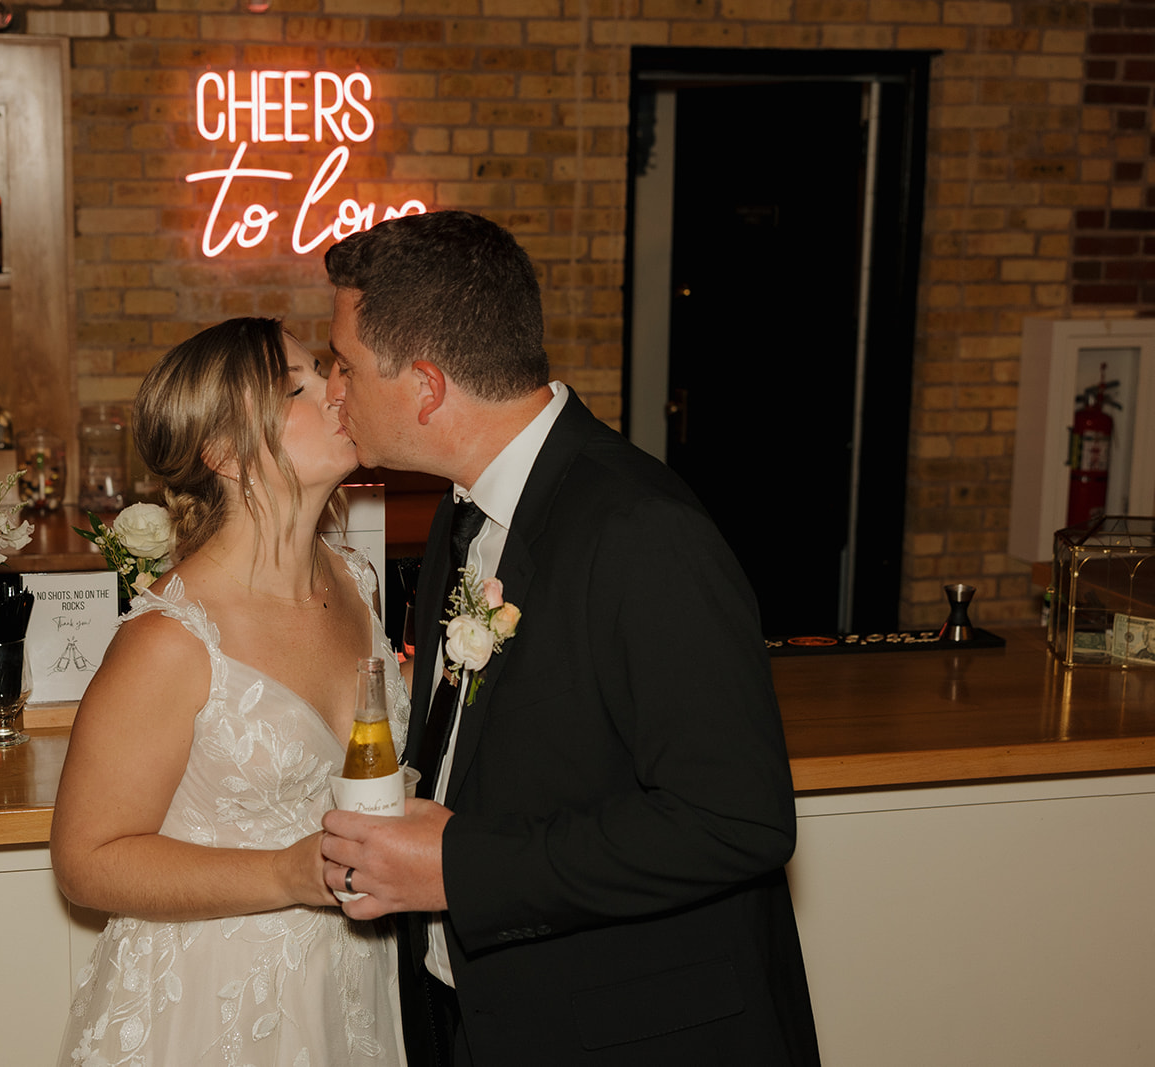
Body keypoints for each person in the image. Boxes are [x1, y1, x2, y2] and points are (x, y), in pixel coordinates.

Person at [317, 212, 820, 1066]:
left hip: (636, 1031)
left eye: (347, 366)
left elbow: (736, 820)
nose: (333, 390)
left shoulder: (642, 530)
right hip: (487, 1014)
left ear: (428, 387)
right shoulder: (458, 513)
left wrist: (461, 870)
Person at [51, 318, 408, 1067]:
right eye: (297, 387)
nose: (335, 391)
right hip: (213, 1002)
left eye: (326, 371)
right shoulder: (171, 639)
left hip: (350, 987)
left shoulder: (355, 582)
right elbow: (86, 860)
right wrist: (284, 872)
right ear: (224, 452)